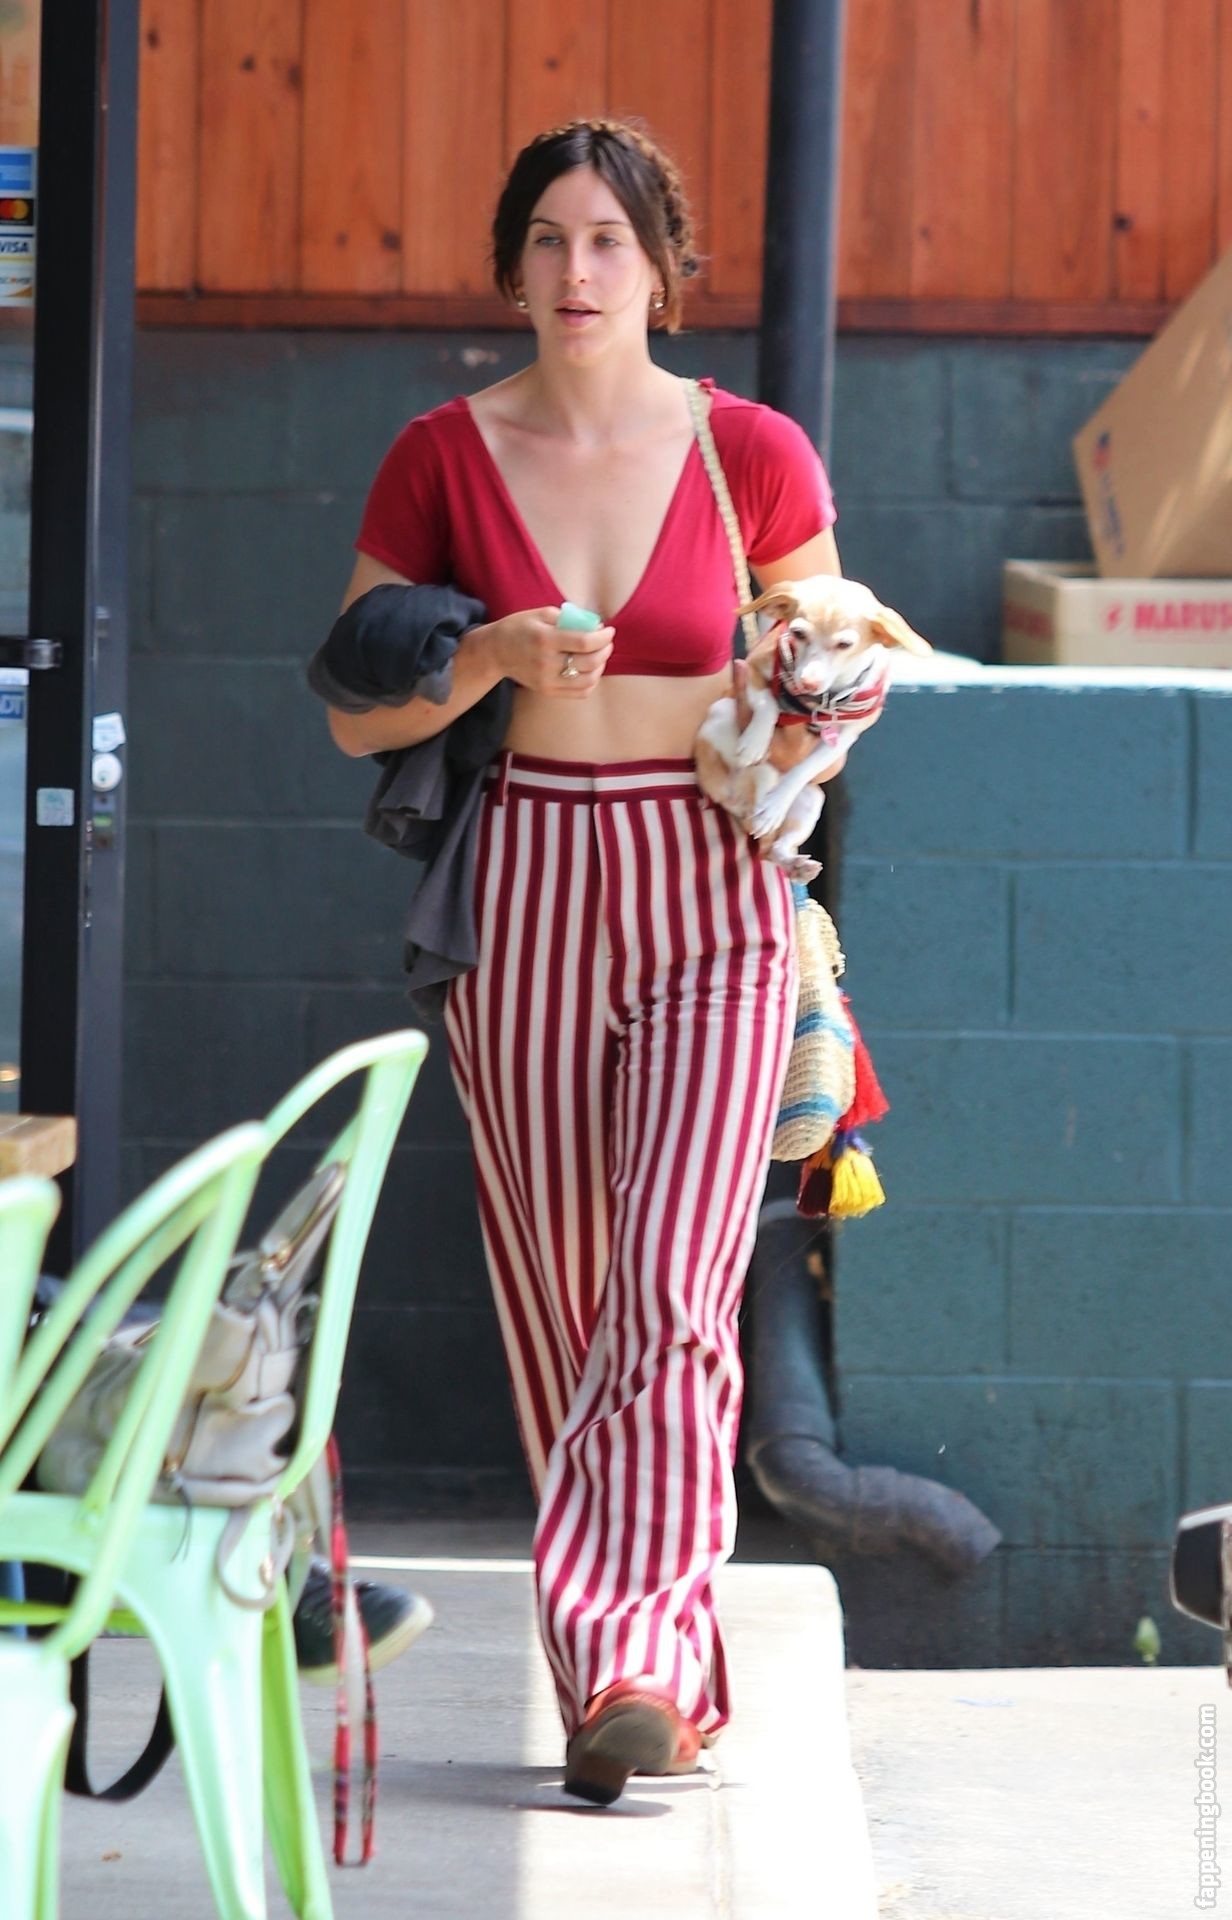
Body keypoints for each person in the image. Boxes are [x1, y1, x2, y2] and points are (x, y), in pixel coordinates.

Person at [323, 117, 855, 1804]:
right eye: (548, 240)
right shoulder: (440, 455)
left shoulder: (751, 449)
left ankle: (632, 1655)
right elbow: (356, 718)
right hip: (527, 881)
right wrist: (485, 652)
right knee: (565, 1298)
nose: (577, 270)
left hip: (714, 883)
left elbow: (843, 668)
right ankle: (635, 1671)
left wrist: (809, 699)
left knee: (674, 1284)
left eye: (610, 240)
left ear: (662, 269)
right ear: (512, 268)